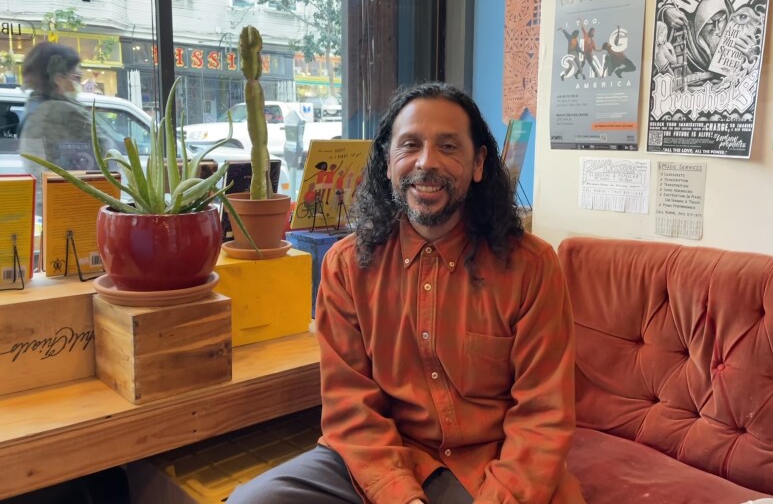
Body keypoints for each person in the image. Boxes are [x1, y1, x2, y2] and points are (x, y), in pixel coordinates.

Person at [228, 82, 585, 504]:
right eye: (410, 145)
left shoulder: (532, 267)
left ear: (478, 163)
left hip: (490, 466)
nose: (426, 162)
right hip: (378, 457)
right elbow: (351, 409)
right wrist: (401, 496)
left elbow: (542, 419)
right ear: (385, 162)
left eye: (449, 147)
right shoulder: (346, 267)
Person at [18, 42, 113, 215]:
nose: (78, 84)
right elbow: (105, 154)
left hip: (50, 207)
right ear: (59, 79)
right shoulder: (59, 111)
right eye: (75, 77)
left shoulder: (35, 106)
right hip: (75, 208)